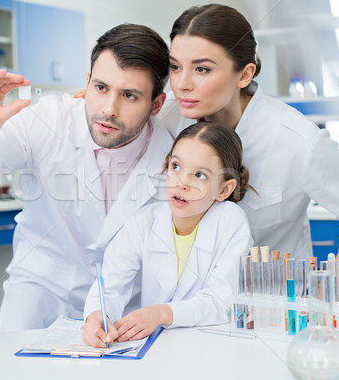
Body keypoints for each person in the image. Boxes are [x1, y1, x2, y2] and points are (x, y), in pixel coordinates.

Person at [0, 23, 175, 330]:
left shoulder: (173, 157)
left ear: (156, 105)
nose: (109, 109)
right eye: (101, 88)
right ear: (87, 83)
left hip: (129, 305)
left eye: (129, 95)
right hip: (42, 289)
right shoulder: (48, 120)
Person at [157, 4, 339, 281]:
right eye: (176, 67)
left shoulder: (297, 140)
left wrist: (329, 293)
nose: (181, 84)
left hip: (273, 308)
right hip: (188, 304)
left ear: (244, 74)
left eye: (202, 69)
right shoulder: (165, 118)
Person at [82, 122, 253, 347]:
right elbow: (111, 284)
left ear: (224, 190)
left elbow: (220, 301)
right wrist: (97, 316)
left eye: (200, 175)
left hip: (213, 346)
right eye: (175, 166)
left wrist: (162, 313)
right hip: (157, 348)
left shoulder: (231, 222)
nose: (181, 182)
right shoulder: (144, 222)